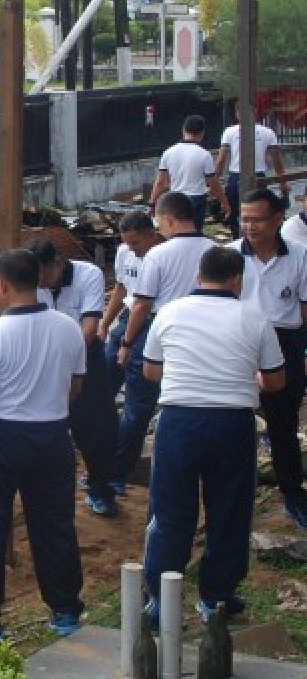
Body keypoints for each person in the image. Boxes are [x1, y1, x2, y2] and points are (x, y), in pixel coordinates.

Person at [0, 249, 87, 646]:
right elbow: (75, 384)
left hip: (3, 439)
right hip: (53, 435)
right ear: (40, 280)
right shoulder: (67, 327)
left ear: (1, 285)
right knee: (55, 526)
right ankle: (65, 610)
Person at [142, 246, 285, 622]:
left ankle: (160, 601)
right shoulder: (254, 317)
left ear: (197, 276)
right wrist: (249, 376)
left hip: (178, 422)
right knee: (230, 511)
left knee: (170, 513)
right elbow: (275, 380)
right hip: (231, 424)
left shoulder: (170, 312)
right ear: (238, 279)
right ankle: (216, 598)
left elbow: (151, 371)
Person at [229, 188, 307, 528]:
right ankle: (237, 492)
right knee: (235, 417)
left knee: (284, 419)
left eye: (257, 219)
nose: (249, 226)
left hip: (284, 340)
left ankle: (291, 491)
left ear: (277, 219)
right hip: (239, 339)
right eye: (244, 218)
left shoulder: (300, 255)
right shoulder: (230, 255)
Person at [26, 238, 117, 517]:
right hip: (46, 359)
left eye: (44, 274)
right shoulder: (30, 281)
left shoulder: (87, 275)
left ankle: (101, 489)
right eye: (34, 276)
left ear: (58, 263)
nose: (39, 282)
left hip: (85, 358)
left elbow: (89, 329)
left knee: (94, 428)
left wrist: (65, 364)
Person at [101, 212, 166, 493]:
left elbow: (144, 304)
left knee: (137, 405)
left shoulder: (164, 255)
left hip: (153, 322)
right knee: (101, 387)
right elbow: (121, 288)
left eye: (137, 243)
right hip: (128, 320)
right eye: (127, 243)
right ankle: (101, 461)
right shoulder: (124, 252)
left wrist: (127, 344)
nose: (133, 249)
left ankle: (117, 473)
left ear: (152, 234)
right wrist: (106, 322)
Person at [118, 192, 216, 373]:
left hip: (161, 325)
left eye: (158, 221)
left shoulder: (158, 254)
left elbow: (141, 305)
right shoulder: (213, 248)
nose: (158, 228)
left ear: (169, 220)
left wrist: (127, 342)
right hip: (201, 326)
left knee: (142, 383)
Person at [216, 104, 287, 239]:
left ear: (237, 114)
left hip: (235, 176)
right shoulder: (267, 132)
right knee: (260, 210)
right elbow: (277, 162)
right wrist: (282, 183)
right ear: (254, 113)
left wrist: (214, 181)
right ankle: (258, 237)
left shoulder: (229, 132)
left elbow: (221, 160)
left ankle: (239, 238)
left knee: (234, 211)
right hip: (259, 177)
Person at [149, 114, 230, 231]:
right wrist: (224, 202)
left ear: (183, 129)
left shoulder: (168, 152)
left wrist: (152, 203)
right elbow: (213, 183)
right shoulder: (204, 154)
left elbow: (160, 182)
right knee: (194, 232)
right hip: (197, 200)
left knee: (176, 232)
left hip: (175, 199)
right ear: (202, 133)